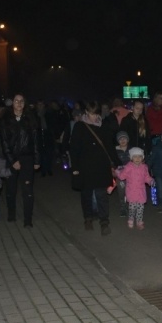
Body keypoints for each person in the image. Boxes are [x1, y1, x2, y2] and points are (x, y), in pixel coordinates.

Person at [69, 101, 119, 236]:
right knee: (86, 194)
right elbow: (74, 148)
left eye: (95, 114)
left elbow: (109, 146)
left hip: (101, 166)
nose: (93, 117)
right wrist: (75, 167)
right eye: (91, 114)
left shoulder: (104, 126)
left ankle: (104, 222)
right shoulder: (80, 126)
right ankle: (88, 218)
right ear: (86, 112)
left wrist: (117, 163)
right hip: (85, 166)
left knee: (101, 194)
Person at [0, 93, 41, 228]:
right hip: (12, 159)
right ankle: (11, 213)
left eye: (21, 101)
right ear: (12, 103)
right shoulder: (5, 120)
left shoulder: (30, 119)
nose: (19, 103)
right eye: (16, 101)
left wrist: (36, 160)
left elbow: (35, 141)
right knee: (11, 189)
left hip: (27, 158)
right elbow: (4, 143)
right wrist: (12, 160)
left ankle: (28, 219)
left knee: (28, 190)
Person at [116, 147, 154, 230]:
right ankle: (131, 219)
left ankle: (139, 221)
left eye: (140, 156)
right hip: (131, 191)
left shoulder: (144, 167)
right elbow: (122, 176)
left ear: (142, 157)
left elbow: (146, 177)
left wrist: (151, 181)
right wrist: (118, 172)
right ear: (131, 158)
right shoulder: (128, 167)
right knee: (132, 208)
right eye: (135, 156)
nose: (137, 158)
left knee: (140, 208)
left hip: (141, 191)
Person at [113, 131, 131, 217]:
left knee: (131, 191)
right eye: (120, 139)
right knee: (121, 191)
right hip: (120, 174)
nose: (122, 140)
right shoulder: (115, 151)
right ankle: (123, 207)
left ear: (128, 139)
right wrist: (113, 171)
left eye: (124, 138)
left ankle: (131, 207)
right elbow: (112, 163)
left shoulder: (132, 150)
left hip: (131, 175)